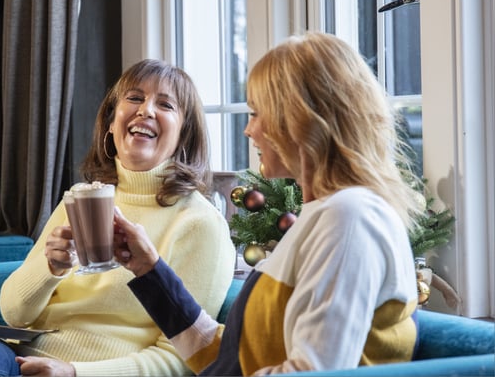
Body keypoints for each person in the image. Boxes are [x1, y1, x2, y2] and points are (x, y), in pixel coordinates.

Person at [0, 59, 236, 377]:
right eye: (135, 98)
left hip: (90, 372)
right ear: (111, 123)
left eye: (165, 104)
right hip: (19, 358)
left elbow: (182, 358)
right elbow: (15, 314)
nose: (145, 111)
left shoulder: (199, 224)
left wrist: (75, 371)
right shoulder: (82, 200)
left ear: (183, 135)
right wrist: (50, 268)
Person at [112, 32, 424, 376]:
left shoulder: (350, 217)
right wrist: (148, 269)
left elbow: (313, 372)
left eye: (257, 113)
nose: (249, 130)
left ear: (300, 121)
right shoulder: (326, 214)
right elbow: (233, 358)